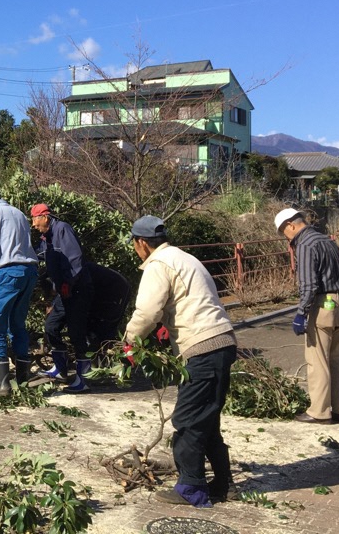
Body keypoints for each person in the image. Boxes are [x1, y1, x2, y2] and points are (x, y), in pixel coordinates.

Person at [125, 215, 237, 508]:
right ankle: (224, 484)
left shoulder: (158, 265)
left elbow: (147, 312)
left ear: (141, 244)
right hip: (223, 341)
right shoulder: (186, 258)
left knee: (186, 421)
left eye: (135, 246)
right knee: (207, 420)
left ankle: (191, 488)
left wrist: (129, 340)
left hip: (202, 347)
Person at [275, 207, 339, 425]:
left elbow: (309, 284)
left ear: (291, 225)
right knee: (338, 359)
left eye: (284, 232)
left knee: (317, 360)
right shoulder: (327, 240)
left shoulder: (305, 245)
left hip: (323, 305)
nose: (286, 238)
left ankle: (319, 412)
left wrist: (301, 313)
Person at [0, 186, 39, 395]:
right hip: (30, 271)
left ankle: (0, 383)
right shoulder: (18, 213)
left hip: (9, 272)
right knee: (17, 324)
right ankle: (22, 380)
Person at [30, 203, 93, 393]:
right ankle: (60, 369)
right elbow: (38, 255)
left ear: (45, 217)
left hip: (78, 289)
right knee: (51, 326)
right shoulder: (45, 238)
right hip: (63, 291)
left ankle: (83, 379)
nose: (33, 224)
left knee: (77, 333)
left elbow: (75, 258)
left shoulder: (63, 229)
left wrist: (68, 282)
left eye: (35, 219)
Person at [84, 261, 132, 363]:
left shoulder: (77, 270)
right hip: (101, 292)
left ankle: (117, 359)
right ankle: (96, 356)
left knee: (106, 325)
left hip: (118, 289)